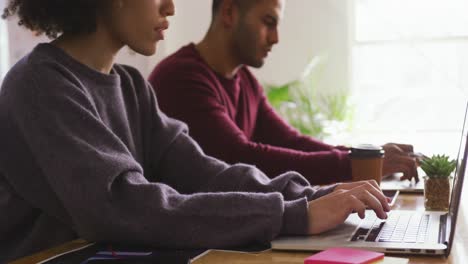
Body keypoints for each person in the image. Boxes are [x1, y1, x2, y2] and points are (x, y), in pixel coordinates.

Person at [0, 0, 390, 262]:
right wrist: (295, 214)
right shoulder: (41, 84)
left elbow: (205, 172)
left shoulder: (132, 86)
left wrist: (315, 196)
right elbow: (122, 205)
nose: (171, 7)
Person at [148, 0, 420, 185]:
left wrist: (365, 157)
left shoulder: (245, 81)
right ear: (229, 13)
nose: (275, 38)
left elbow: (291, 142)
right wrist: (359, 165)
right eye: (268, 22)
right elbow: (239, 156)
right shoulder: (182, 77)